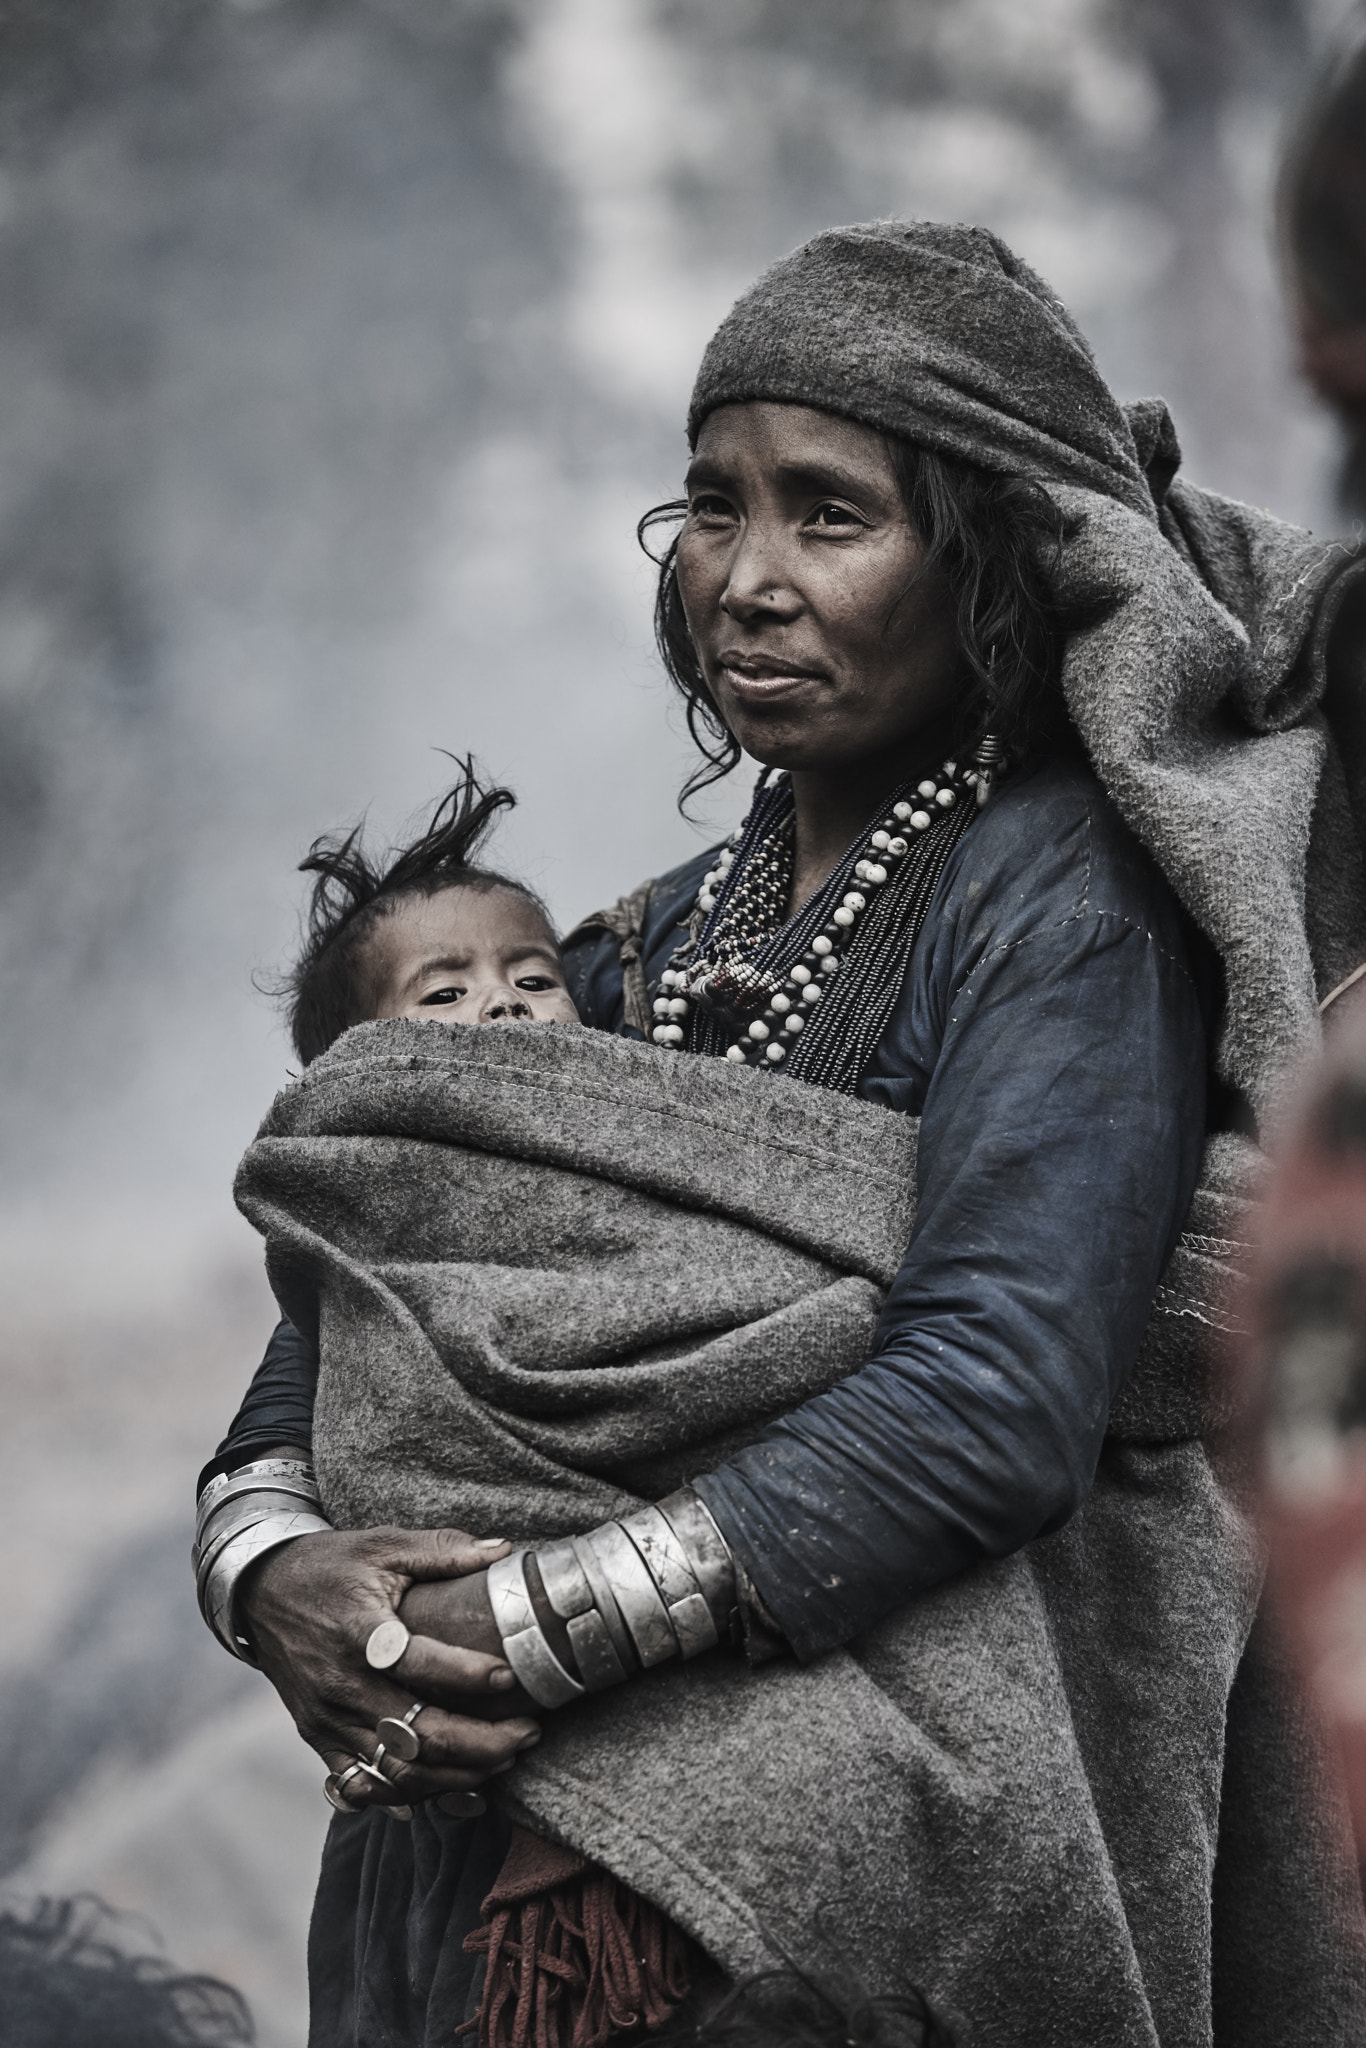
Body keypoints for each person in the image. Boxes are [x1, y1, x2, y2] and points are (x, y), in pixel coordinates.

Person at [197, 224, 1366, 2046]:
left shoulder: (1064, 908)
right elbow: (361, 1303)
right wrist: (274, 1572)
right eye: (710, 508)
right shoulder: (621, 943)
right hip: (468, 1842)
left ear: (983, 553)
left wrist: (531, 1619)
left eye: (828, 515)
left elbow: (995, 1391)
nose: (740, 580)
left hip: (834, 1895)